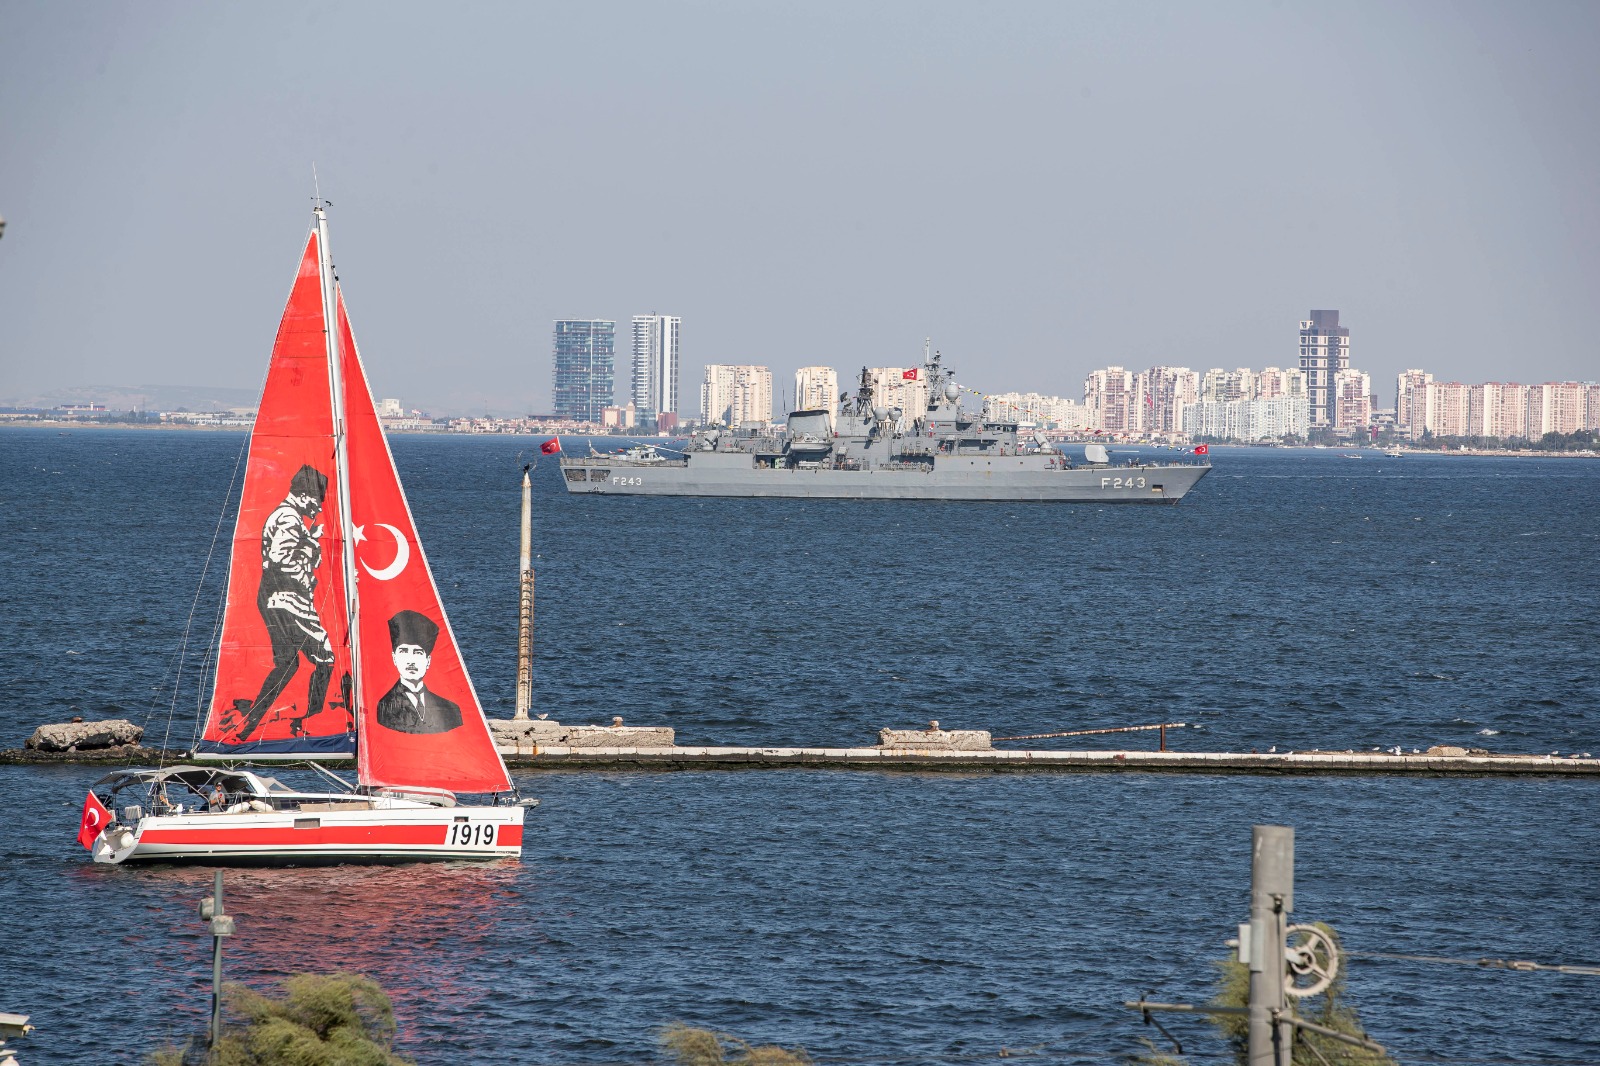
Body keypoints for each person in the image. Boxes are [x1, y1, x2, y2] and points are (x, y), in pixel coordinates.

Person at [235, 465, 336, 741]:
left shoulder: (287, 517)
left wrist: (308, 542)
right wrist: (309, 551)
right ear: (304, 496)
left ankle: (251, 722)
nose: (318, 508)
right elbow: (281, 560)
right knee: (325, 655)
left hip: (274, 597)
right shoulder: (290, 518)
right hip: (288, 598)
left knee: (288, 665)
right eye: (317, 501)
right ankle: (316, 719)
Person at [375, 610, 462, 734]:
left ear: (428, 661)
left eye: (417, 653)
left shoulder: (451, 709)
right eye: (404, 651)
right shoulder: (382, 706)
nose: (411, 661)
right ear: (394, 658)